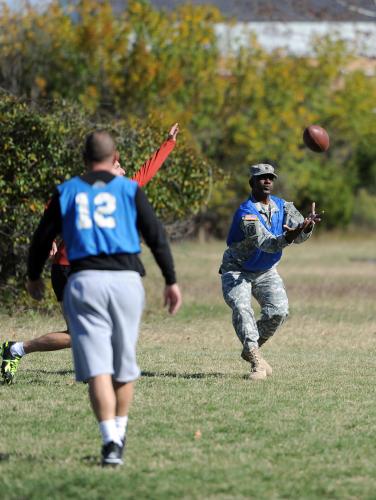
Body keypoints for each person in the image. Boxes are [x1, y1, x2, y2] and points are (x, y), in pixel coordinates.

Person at [25, 130, 182, 466]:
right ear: (114, 160)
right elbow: (156, 235)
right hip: (126, 280)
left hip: (84, 280)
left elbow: (42, 237)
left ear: (84, 159)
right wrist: (171, 279)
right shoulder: (128, 189)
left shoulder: (67, 191)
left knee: (98, 370)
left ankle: (110, 442)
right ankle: (120, 433)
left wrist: (33, 275)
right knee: (123, 366)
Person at [1, 123, 179, 385]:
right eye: (119, 166)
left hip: (93, 272)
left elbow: (147, 170)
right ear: (108, 165)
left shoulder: (120, 190)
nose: (125, 170)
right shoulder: (80, 189)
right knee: (79, 334)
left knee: (95, 330)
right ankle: (17, 349)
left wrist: (168, 143)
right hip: (67, 268)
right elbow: (52, 210)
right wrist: (50, 239)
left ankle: (96, 369)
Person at [220, 162, 321, 380]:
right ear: (252, 182)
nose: (267, 180)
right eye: (262, 177)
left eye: (270, 177)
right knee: (242, 307)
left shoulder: (283, 206)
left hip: (265, 270)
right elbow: (265, 243)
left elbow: (299, 235)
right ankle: (256, 362)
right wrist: (290, 236)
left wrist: (307, 226)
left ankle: (250, 348)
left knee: (279, 311)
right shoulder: (246, 213)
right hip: (237, 270)